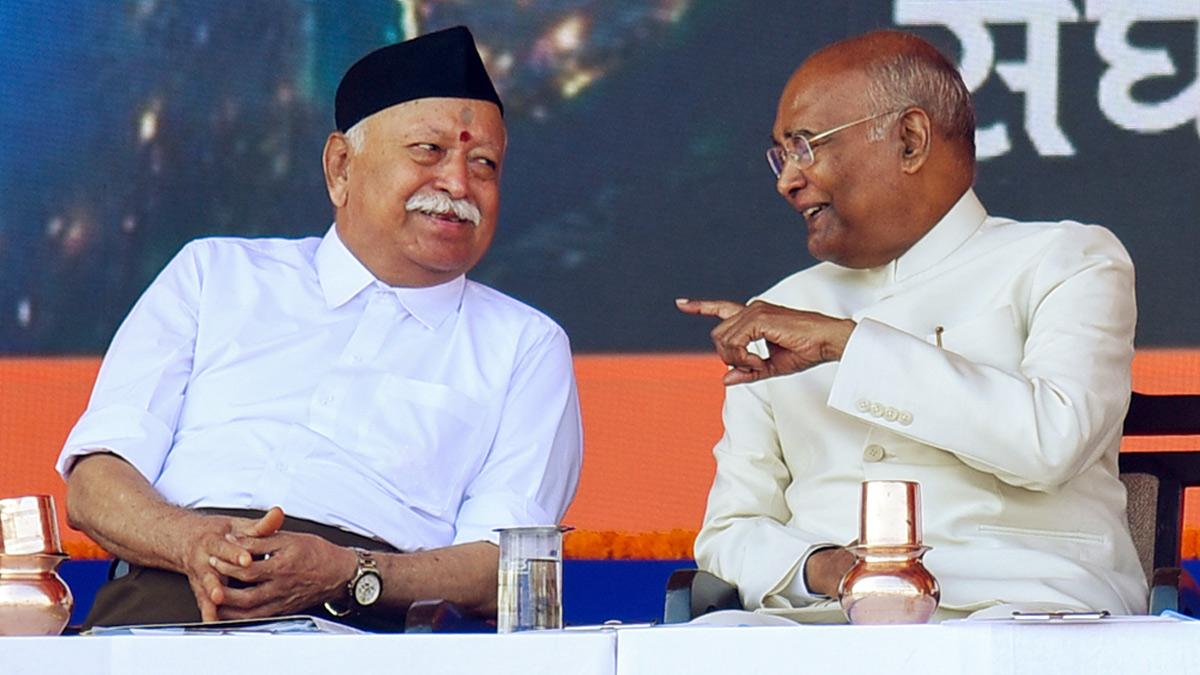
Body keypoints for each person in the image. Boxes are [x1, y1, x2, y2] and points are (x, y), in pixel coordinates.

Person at [56, 26, 582, 631]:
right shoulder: (215, 273)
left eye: (483, 163)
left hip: (365, 631)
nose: (458, 185)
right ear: (341, 167)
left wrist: (348, 572)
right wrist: (191, 542)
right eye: (428, 152)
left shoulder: (525, 345)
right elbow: (95, 482)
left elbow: (504, 569)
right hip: (159, 613)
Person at [676, 29, 1144, 617]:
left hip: (1023, 613)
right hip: (817, 627)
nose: (787, 179)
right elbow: (729, 533)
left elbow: (1052, 441)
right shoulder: (778, 308)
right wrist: (826, 568)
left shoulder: (1065, 259)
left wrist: (848, 347)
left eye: (805, 145)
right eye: (781, 154)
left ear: (910, 140)